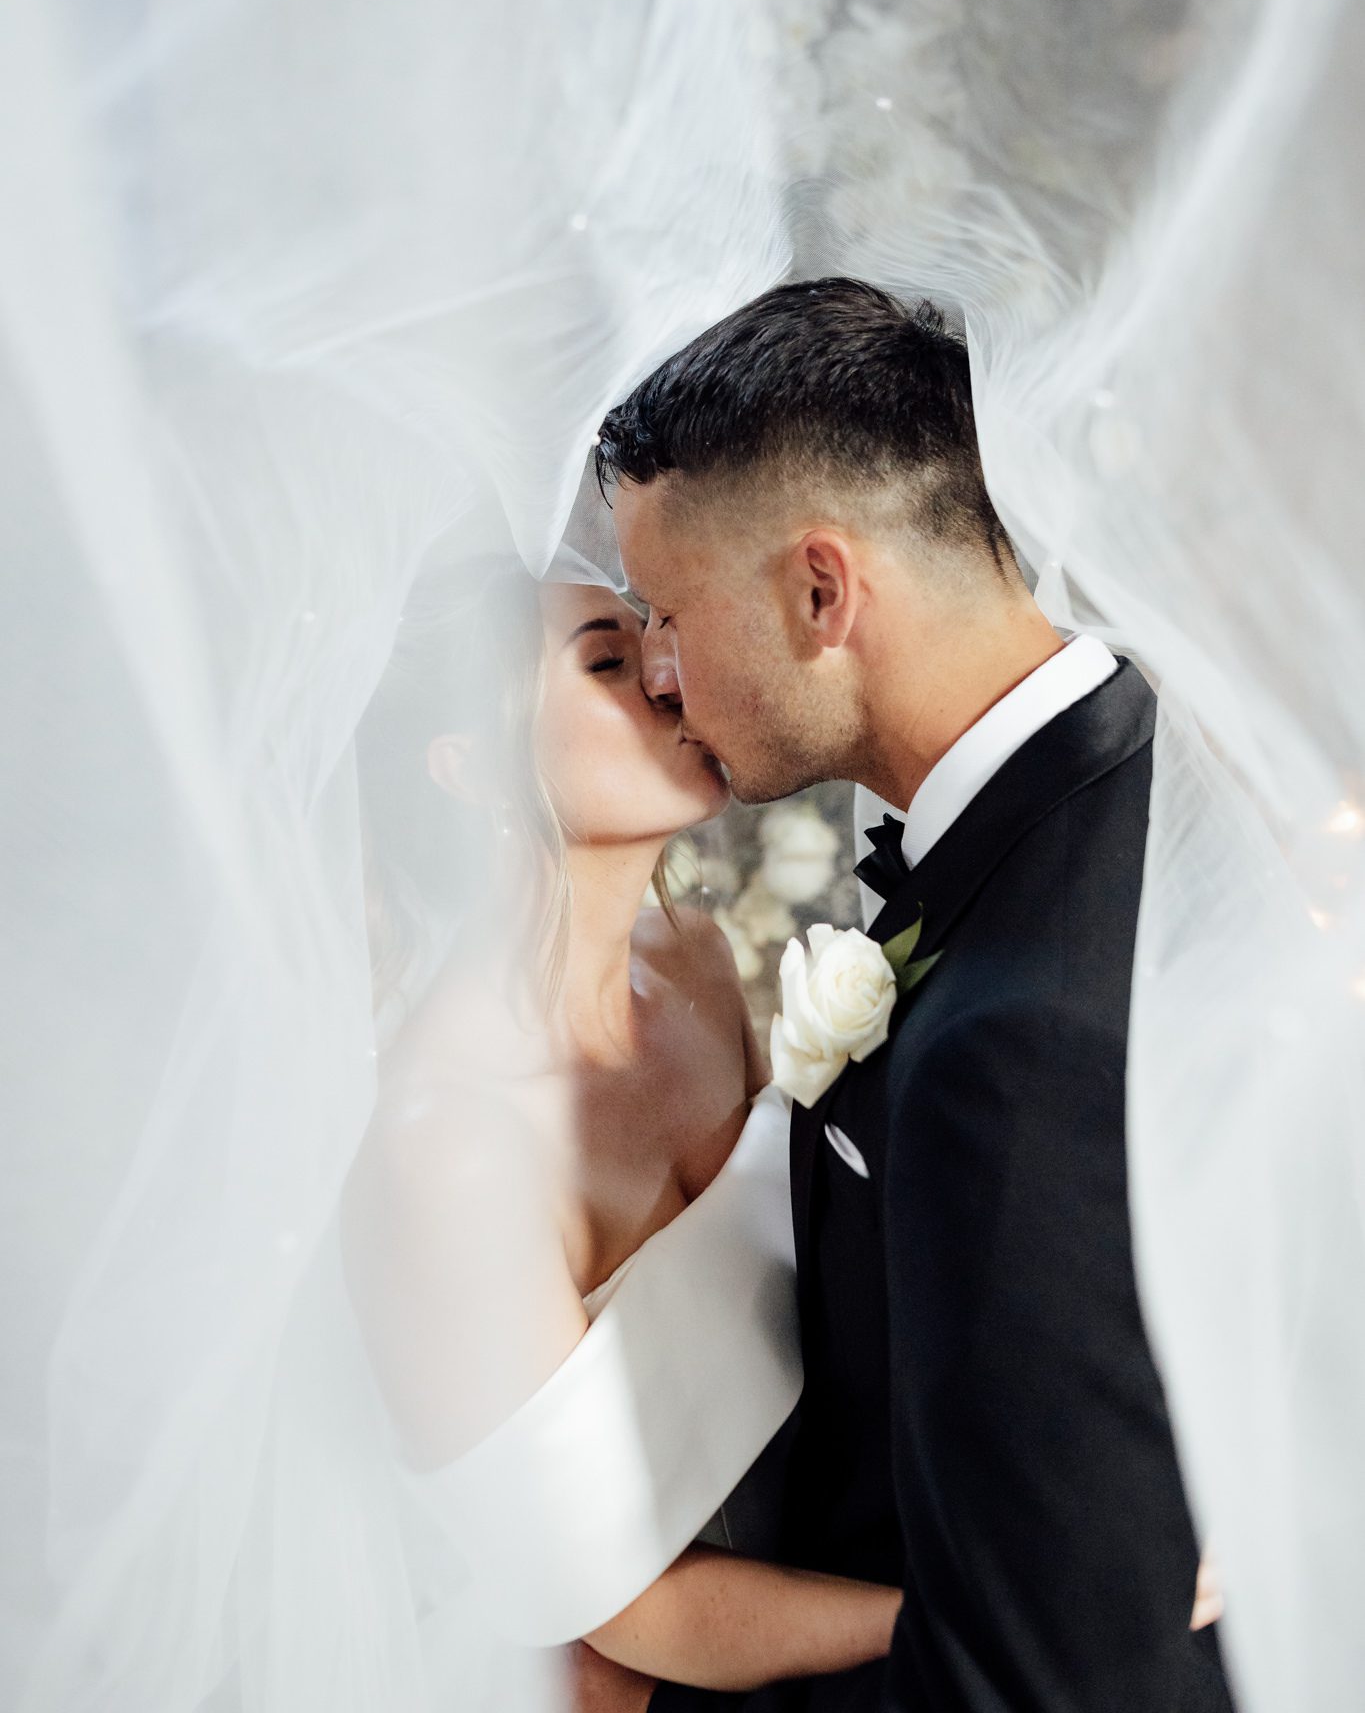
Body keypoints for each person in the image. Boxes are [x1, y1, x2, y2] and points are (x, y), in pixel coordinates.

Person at [596, 276, 1234, 1712]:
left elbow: (1042, 1680)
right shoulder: (1156, 770)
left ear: (820, 592)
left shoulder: (1016, 1044)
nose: (660, 671)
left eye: (668, 610)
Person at [342, 555, 902, 1699]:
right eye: (606, 661)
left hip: (843, 1574)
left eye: (654, 635)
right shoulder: (450, 1143)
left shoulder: (694, 960)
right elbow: (624, 1612)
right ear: (472, 768)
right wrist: (983, 1606)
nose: (667, 671)